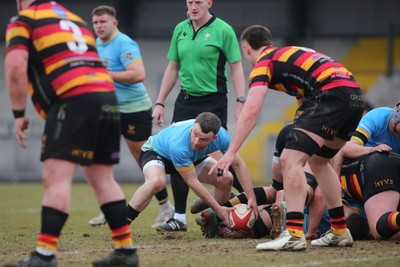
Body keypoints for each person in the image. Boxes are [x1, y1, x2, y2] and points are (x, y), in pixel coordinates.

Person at [4, 1, 138, 267]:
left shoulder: (24, 21)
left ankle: (43, 255)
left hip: (73, 99)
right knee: (102, 177)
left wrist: (19, 114)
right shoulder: (76, 19)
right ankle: (125, 252)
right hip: (106, 96)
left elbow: (16, 66)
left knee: (56, 177)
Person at [212, 25, 365, 251]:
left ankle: (293, 234)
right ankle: (340, 231)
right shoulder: (288, 54)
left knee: (289, 160)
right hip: (353, 95)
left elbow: (251, 111)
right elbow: (303, 102)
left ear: (246, 48)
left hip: (330, 94)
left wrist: (231, 152)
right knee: (319, 162)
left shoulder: (265, 63)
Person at [152, 0, 247, 231]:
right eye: (190, 2)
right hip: (185, 101)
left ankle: (238, 202)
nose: (193, 6)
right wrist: (160, 101)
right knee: (178, 157)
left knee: (222, 156)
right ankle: (179, 218)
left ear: (209, 3)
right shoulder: (180, 29)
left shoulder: (223, 30)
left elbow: (236, 67)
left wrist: (241, 100)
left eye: (198, 2)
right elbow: (172, 67)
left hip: (213, 101)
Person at [88, 5, 174, 228]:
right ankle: (108, 209)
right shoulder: (96, 44)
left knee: (144, 161)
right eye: (96, 22)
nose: (98, 26)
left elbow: (138, 74)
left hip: (134, 110)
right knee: (102, 160)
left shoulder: (124, 43)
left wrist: (104, 74)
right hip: (108, 110)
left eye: (103, 22)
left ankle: (167, 210)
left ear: (114, 23)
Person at [125, 112, 258, 231]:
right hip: (156, 152)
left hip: (191, 157)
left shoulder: (223, 137)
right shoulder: (179, 144)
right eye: (195, 134)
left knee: (225, 178)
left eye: (203, 139)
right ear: (194, 126)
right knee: (156, 182)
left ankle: (213, 222)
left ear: (214, 138)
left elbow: (238, 165)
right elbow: (191, 181)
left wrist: (251, 196)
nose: (195, 142)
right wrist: (218, 208)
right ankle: (123, 223)